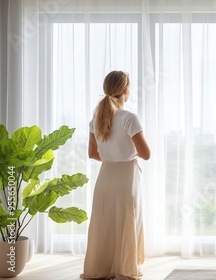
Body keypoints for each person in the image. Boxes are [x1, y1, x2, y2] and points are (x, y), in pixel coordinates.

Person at [81, 70, 150, 280]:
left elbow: (93, 154)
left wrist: (112, 157)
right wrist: (124, 155)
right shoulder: (129, 119)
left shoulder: (96, 119)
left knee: (105, 223)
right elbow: (146, 154)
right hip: (126, 178)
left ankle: (100, 269)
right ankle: (125, 268)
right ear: (126, 90)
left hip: (105, 177)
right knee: (126, 221)